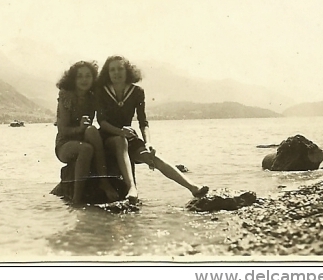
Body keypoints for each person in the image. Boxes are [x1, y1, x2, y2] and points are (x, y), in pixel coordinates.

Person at [96, 55, 209, 202]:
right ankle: (132, 188)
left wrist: (148, 142)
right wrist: (120, 132)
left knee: (151, 156)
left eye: (120, 69)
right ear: (107, 73)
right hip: (108, 136)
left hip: (128, 136)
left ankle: (193, 187)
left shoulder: (137, 92)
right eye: (112, 70)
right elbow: (101, 121)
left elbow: (143, 122)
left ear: (127, 71)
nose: (116, 73)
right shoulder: (102, 91)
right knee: (120, 141)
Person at [55, 61, 119, 205]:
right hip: (65, 144)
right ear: (73, 79)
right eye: (80, 76)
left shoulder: (93, 96)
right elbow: (62, 130)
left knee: (92, 130)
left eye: (88, 76)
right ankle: (77, 199)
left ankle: (104, 182)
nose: (84, 80)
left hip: (85, 137)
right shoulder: (66, 95)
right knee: (86, 148)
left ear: (93, 78)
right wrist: (79, 128)